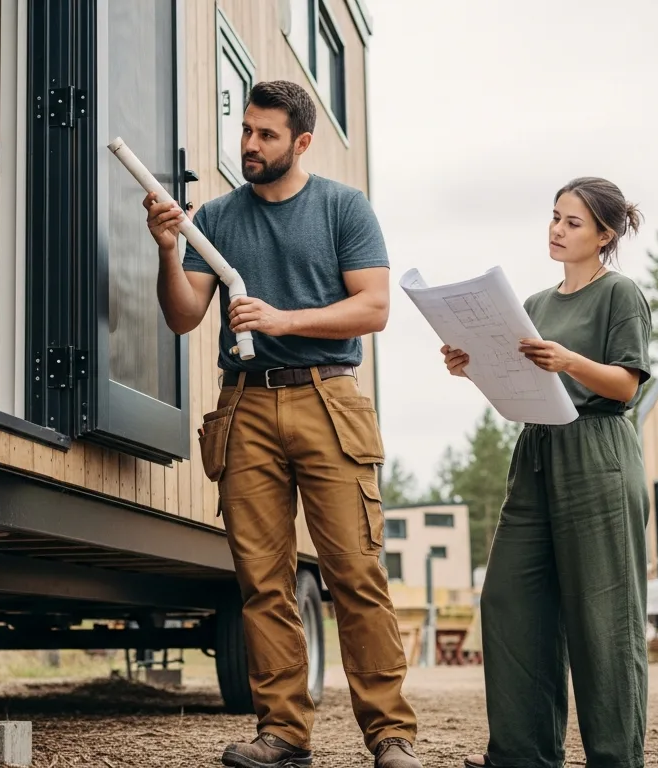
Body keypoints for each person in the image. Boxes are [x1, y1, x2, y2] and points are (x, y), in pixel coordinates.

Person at [143, 80, 420, 768]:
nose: (250, 146)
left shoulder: (343, 209)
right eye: (246, 132)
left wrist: (282, 319)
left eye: (266, 135)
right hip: (243, 406)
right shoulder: (220, 216)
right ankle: (284, 735)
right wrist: (168, 250)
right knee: (261, 581)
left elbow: (375, 308)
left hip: (328, 399)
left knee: (354, 572)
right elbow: (183, 316)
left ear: (301, 142)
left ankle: (390, 735)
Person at [444, 177, 652, 768]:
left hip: (598, 456)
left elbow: (626, 386)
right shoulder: (533, 306)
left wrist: (570, 361)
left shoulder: (620, 295)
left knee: (602, 617)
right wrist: (472, 368)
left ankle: (614, 757)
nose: (557, 230)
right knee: (510, 599)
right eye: (554, 217)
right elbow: (522, 388)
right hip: (535, 454)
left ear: (604, 235)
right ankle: (522, 754)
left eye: (573, 222)